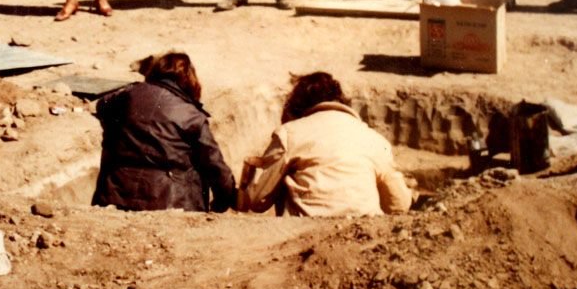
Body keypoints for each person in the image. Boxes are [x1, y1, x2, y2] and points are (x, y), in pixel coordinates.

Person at [238, 72, 412, 217]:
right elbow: (399, 205)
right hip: (363, 235)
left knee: (285, 175)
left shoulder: (290, 133)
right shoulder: (374, 139)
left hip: (306, 235)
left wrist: (247, 181)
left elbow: (258, 200)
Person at [93, 52, 236, 212]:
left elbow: (101, 106)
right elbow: (214, 165)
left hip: (115, 195)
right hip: (172, 204)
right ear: (189, 79)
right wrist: (224, 201)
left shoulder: (127, 96)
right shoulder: (192, 116)